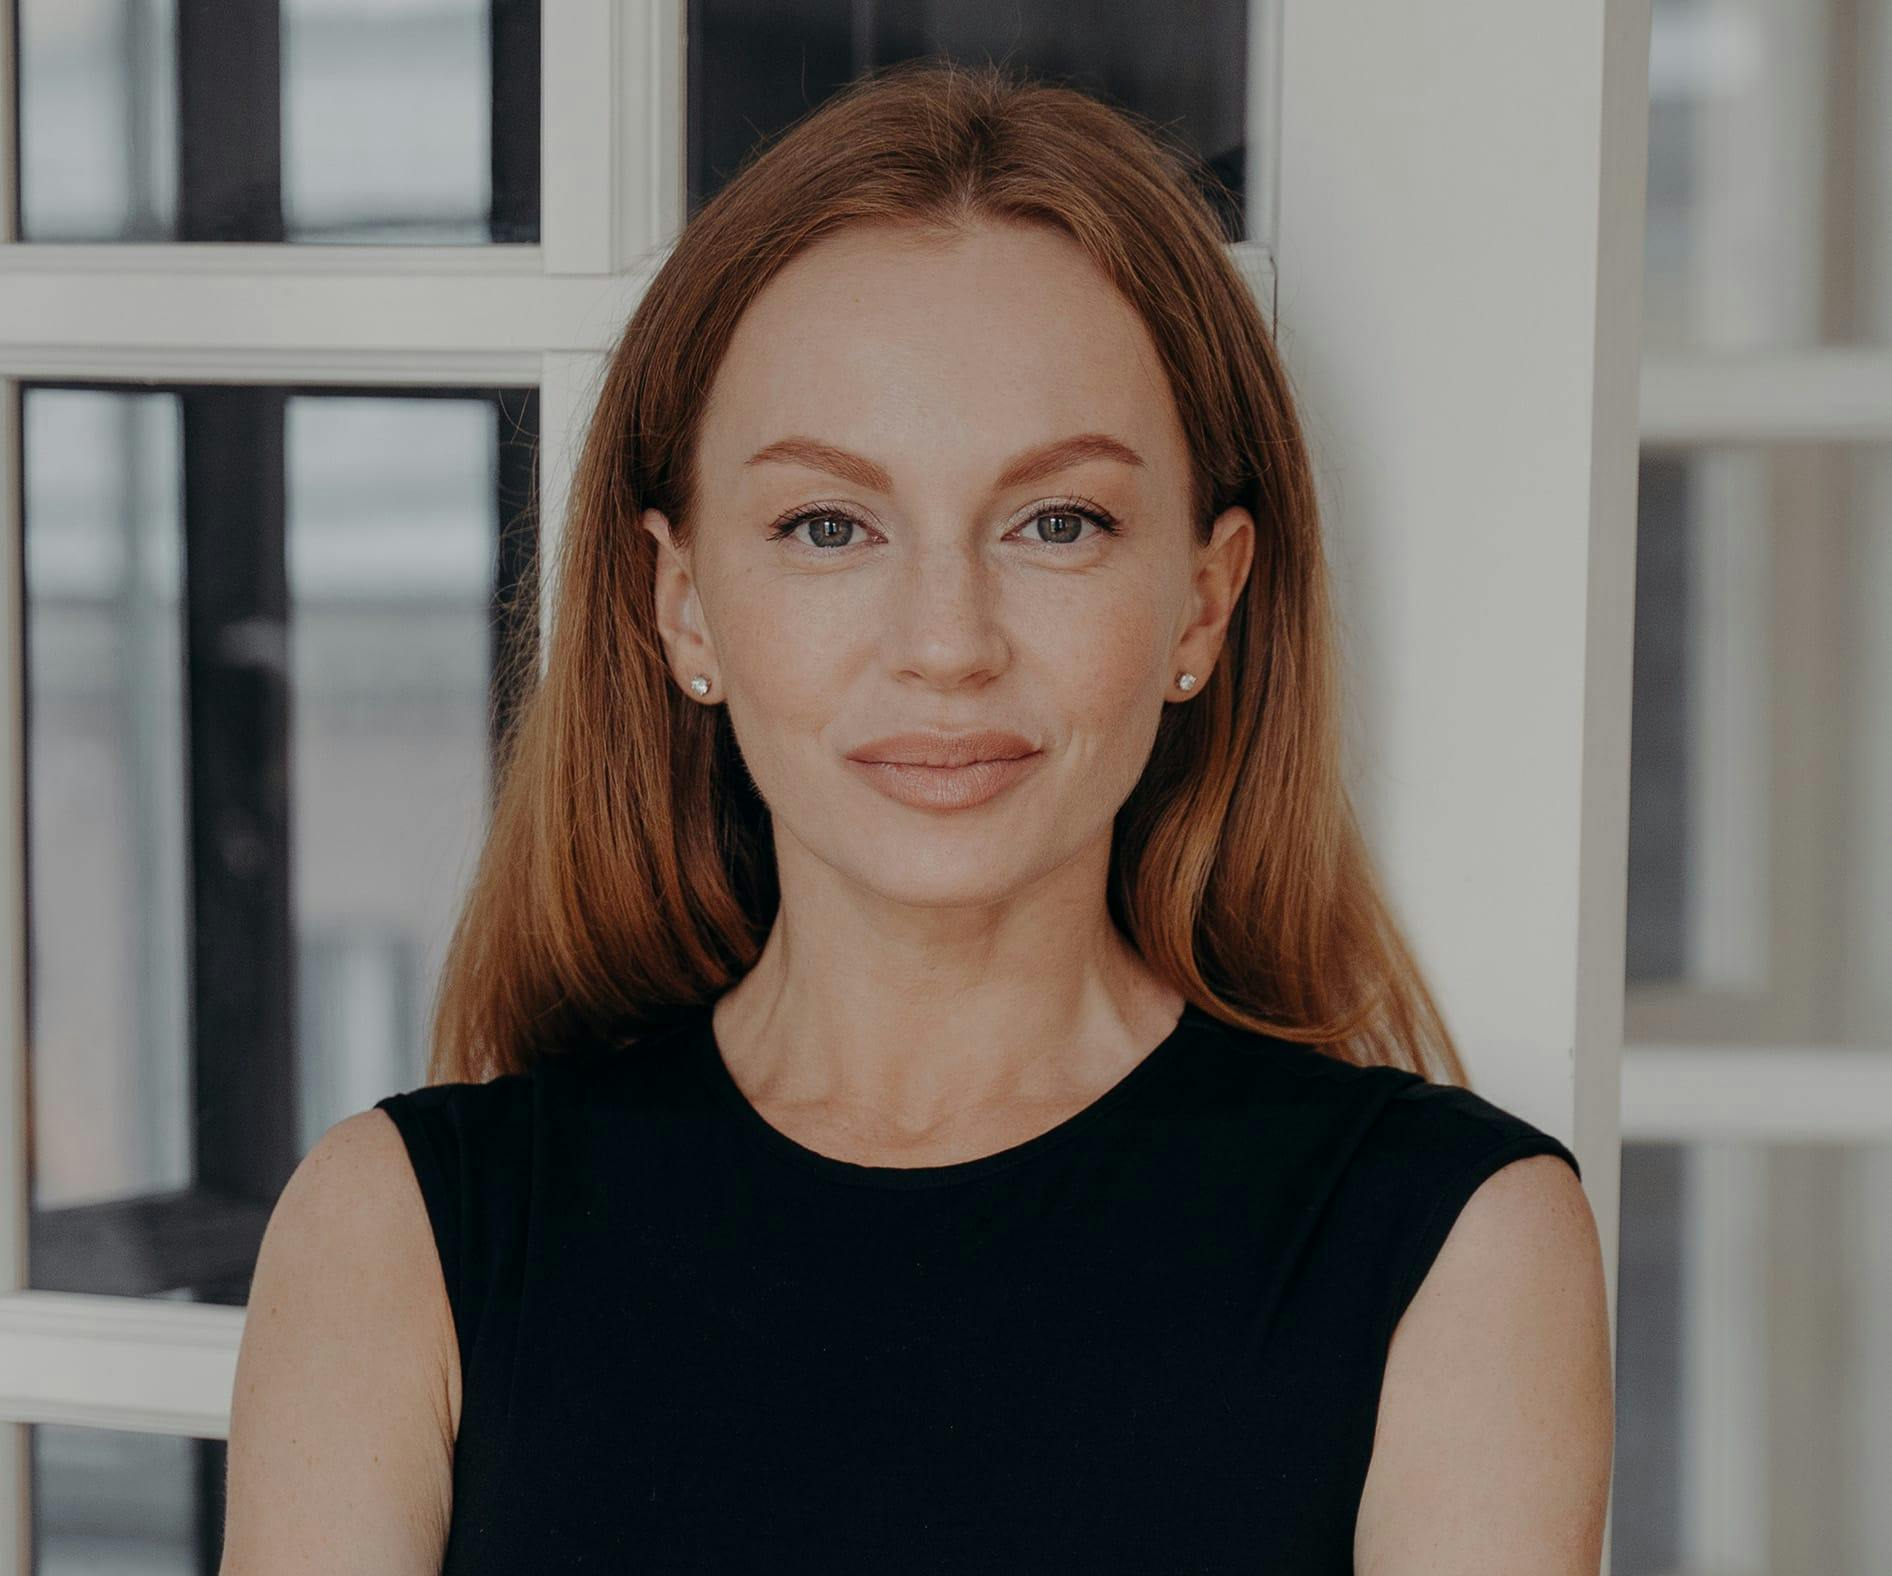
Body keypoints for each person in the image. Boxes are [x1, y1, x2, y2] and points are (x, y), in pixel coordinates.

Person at [219, 58, 1613, 1574]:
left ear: (1203, 602)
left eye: (1056, 523)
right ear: (681, 605)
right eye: (829, 526)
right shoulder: (398, 1239)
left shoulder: (1459, 1251)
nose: (946, 641)